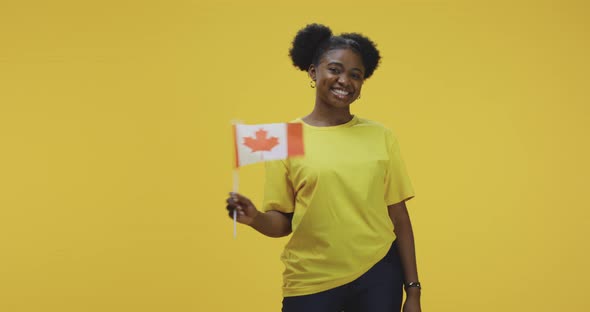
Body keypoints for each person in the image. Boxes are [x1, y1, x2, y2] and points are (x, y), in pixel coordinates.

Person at [226, 23, 421, 312]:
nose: (345, 80)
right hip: (311, 280)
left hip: (378, 273)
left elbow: (400, 218)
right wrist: (255, 217)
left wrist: (413, 292)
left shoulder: (380, 136)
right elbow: (283, 222)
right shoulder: (285, 138)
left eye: (356, 75)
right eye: (335, 69)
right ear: (313, 72)